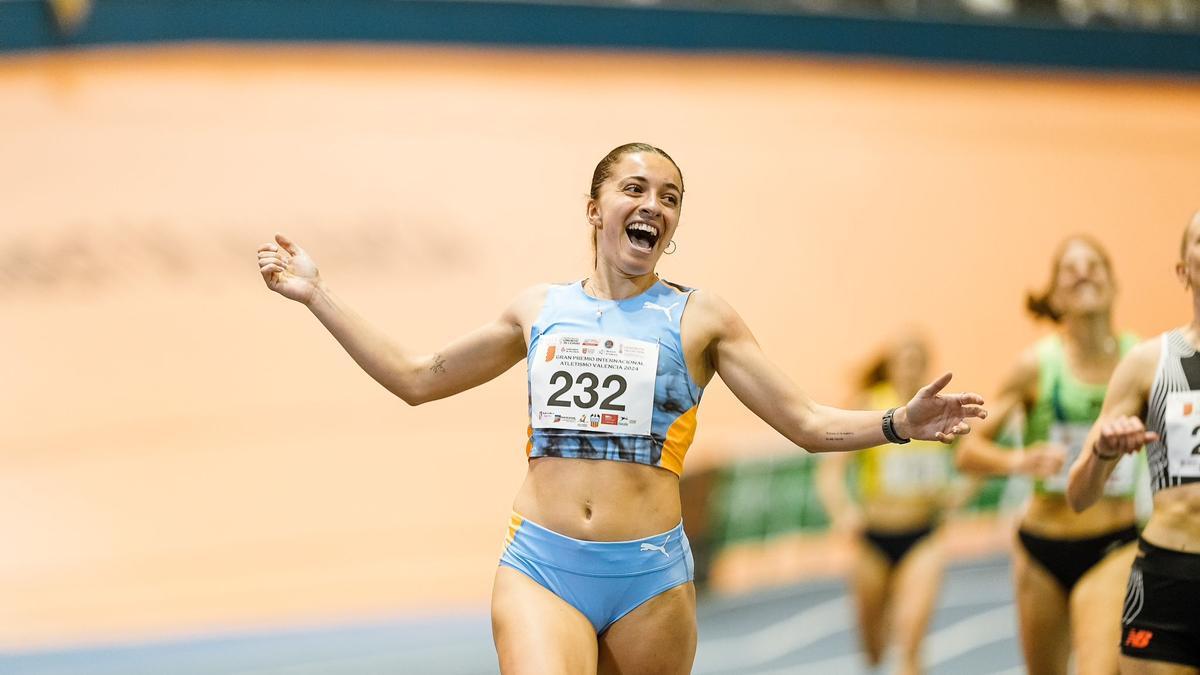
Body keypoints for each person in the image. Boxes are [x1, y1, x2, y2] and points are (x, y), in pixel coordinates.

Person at [256, 142, 986, 674]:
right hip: (543, 564)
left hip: (650, 577)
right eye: (637, 188)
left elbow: (805, 421)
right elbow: (416, 376)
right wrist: (318, 295)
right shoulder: (539, 310)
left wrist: (899, 424)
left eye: (670, 198)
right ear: (596, 207)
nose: (655, 206)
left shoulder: (702, 319)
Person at [956, 236, 1140, 675]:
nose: (1083, 272)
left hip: (1112, 544)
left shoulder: (1143, 359)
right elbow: (968, 450)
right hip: (1041, 548)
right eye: (1070, 268)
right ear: (1056, 296)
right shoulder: (1036, 366)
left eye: (1094, 264)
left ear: (1113, 284)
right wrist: (1018, 462)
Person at [1067, 212, 1200, 675]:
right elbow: (1079, 497)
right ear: (1183, 269)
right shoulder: (1148, 363)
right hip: (1170, 581)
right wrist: (1102, 453)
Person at [818, 332, 973, 675]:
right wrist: (843, 511)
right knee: (873, 649)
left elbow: (973, 460)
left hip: (923, 535)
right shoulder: (871, 404)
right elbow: (830, 472)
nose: (910, 369)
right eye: (904, 362)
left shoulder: (939, 411)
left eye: (918, 363)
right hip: (873, 539)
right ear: (890, 367)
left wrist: (957, 496)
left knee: (911, 640)